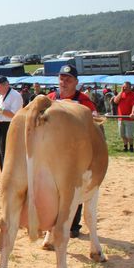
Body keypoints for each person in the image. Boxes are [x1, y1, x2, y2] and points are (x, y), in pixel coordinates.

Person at [46, 64, 97, 238]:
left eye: (68, 79)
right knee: (53, 189)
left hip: (76, 153)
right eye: (61, 79)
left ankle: (73, 226)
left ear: (76, 82)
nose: (64, 82)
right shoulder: (50, 98)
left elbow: (95, 125)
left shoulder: (84, 101)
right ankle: (52, 224)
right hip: (53, 152)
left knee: (75, 189)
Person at [0, 75, 23, 170]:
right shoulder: (1, 96)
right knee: (0, 152)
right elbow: (0, 109)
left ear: (5, 85)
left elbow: (15, 115)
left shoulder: (15, 96)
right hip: (0, 126)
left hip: (10, 126)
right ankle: (4, 174)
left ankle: (9, 175)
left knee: (8, 154)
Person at [112, 81, 134, 152]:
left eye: (126, 87)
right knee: (122, 134)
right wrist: (121, 92)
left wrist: (133, 113)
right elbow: (115, 101)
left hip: (129, 119)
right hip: (121, 118)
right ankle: (125, 147)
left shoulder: (133, 95)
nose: (125, 88)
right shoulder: (120, 94)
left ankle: (131, 147)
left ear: (130, 88)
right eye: (123, 87)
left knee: (129, 135)